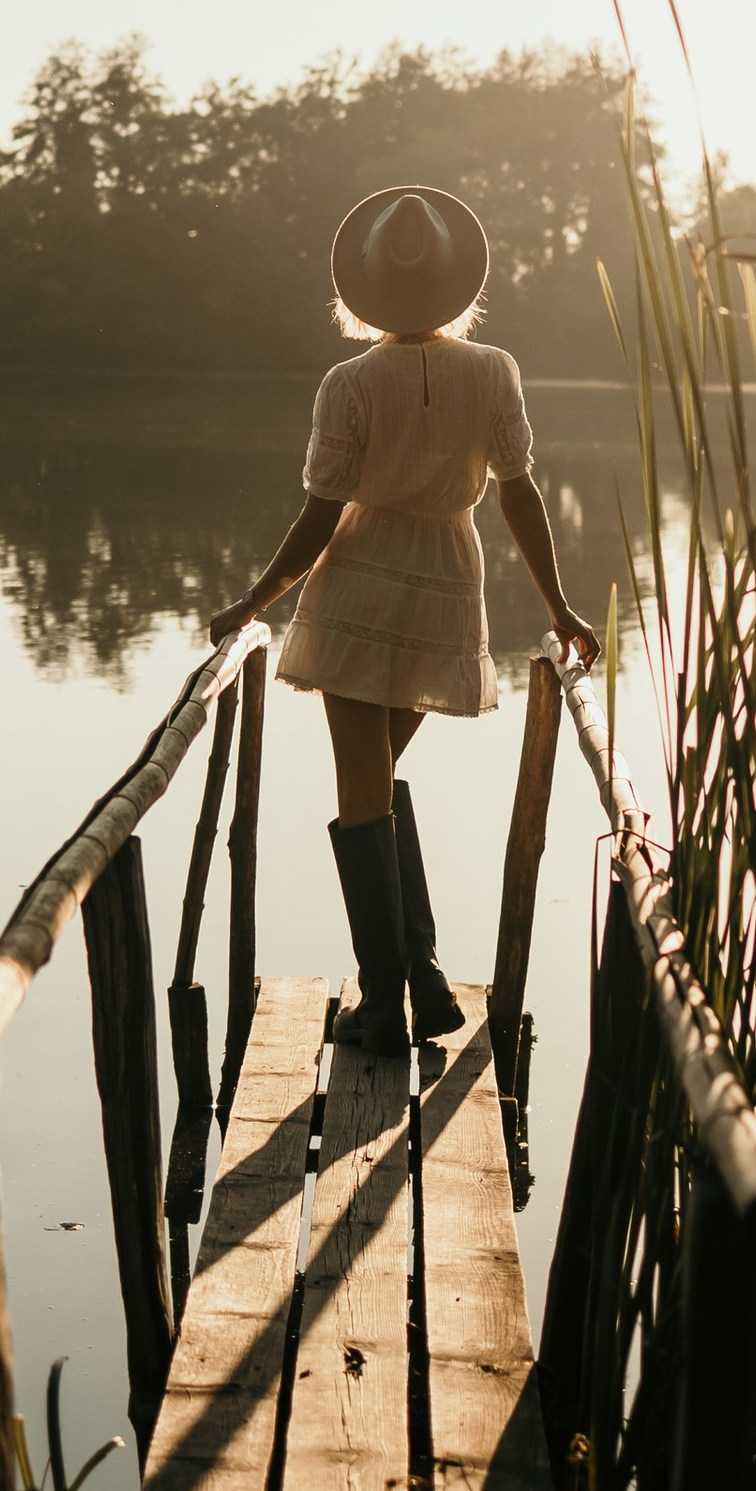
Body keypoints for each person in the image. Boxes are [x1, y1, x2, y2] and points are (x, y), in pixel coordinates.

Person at [206, 184, 600, 1053]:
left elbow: (321, 514)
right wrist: (558, 604)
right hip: (447, 586)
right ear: (460, 287)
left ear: (364, 288)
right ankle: (421, 974)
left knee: (361, 791)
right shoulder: (494, 370)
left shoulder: (349, 382)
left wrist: (251, 602)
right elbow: (520, 493)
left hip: (359, 589)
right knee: (374, 780)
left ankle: (385, 1002)